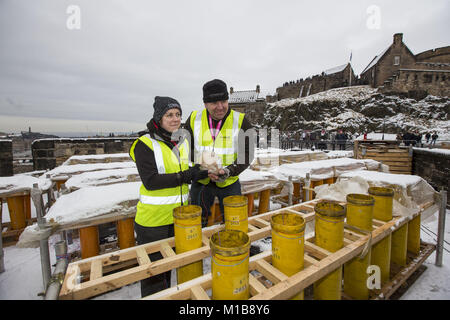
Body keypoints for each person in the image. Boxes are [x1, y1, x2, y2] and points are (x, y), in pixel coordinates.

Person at [129, 96, 208, 297]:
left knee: (171, 269)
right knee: (154, 277)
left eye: (178, 114)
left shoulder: (179, 141)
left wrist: (199, 171)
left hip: (178, 219)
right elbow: (151, 181)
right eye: (169, 115)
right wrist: (186, 176)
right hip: (153, 223)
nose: (175, 119)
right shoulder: (144, 144)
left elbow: (183, 169)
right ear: (159, 118)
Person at [185, 79, 254, 227]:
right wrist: (204, 165)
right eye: (214, 103)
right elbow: (184, 148)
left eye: (223, 101)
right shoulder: (193, 119)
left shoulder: (241, 121)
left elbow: (247, 153)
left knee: (233, 222)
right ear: (205, 104)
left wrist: (230, 170)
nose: (220, 107)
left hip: (229, 181)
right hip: (202, 180)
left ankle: (232, 246)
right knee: (197, 222)